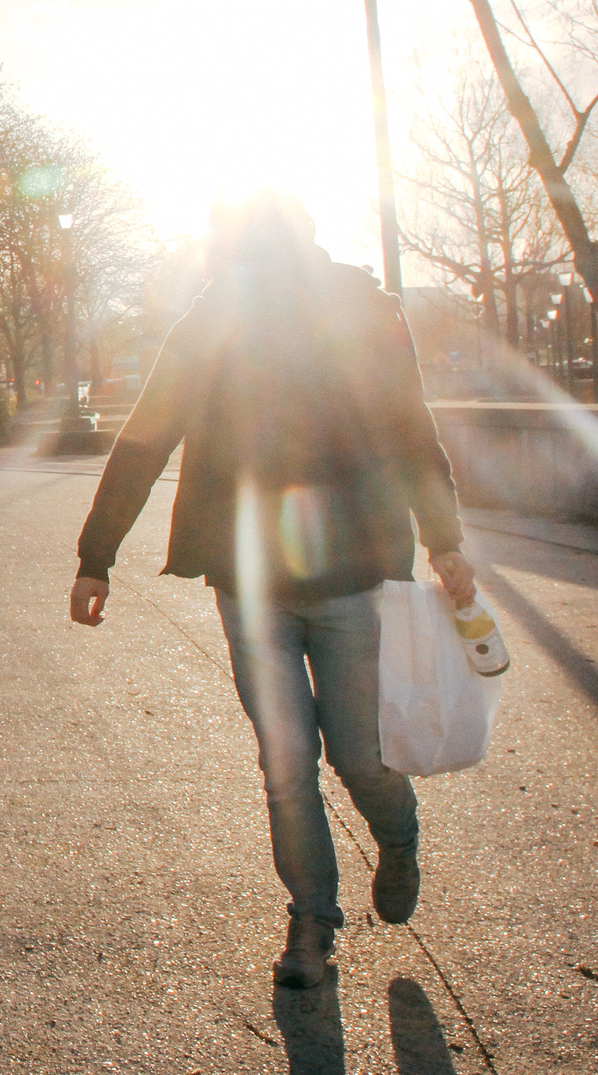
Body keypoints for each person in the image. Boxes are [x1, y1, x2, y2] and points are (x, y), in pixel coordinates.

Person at [67, 192, 476, 990]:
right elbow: (146, 437)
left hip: (352, 574)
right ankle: (313, 921)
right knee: (287, 761)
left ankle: (397, 836)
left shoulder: (360, 310)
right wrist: (95, 555)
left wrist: (445, 539)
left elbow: (407, 429)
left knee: (359, 755)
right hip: (249, 581)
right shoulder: (213, 319)